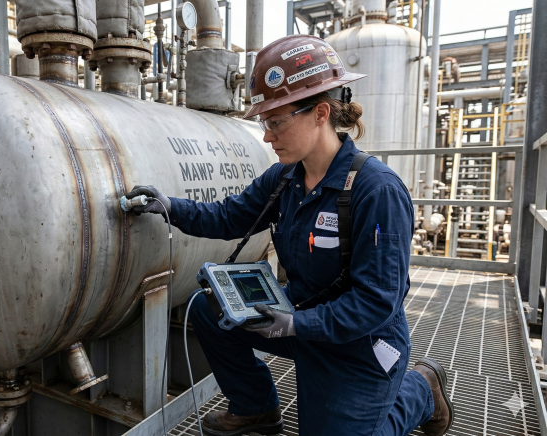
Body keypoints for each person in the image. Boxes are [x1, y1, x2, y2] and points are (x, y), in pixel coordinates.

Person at [125, 35, 454, 436]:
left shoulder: (376, 191)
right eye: (265, 122)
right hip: (300, 322)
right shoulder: (285, 179)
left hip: (359, 348)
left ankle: (422, 388)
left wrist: (297, 325)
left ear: (319, 113)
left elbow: (376, 303)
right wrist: (171, 208)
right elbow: (231, 217)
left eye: (276, 121)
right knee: (206, 310)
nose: (267, 135)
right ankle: (256, 408)